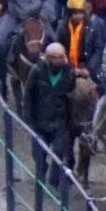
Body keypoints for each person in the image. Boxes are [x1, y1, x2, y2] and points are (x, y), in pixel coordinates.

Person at [25, 43, 77, 185]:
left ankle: (54, 180)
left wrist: (71, 121)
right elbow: (29, 95)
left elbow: (70, 97)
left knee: (59, 150)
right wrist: (28, 119)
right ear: (47, 58)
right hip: (39, 119)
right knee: (39, 153)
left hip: (59, 119)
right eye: (53, 58)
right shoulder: (36, 71)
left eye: (60, 58)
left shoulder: (69, 74)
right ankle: (41, 172)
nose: (56, 61)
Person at [55, 0, 106, 79]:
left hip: (87, 66)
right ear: (70, 14)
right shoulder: (62, 26)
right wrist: (69, 67)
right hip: (66, 66)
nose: (78, 16)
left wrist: (88, 68)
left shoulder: (92, 26)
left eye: (80, 13)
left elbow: (98, 48)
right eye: (75, 13)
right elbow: (58, 47)